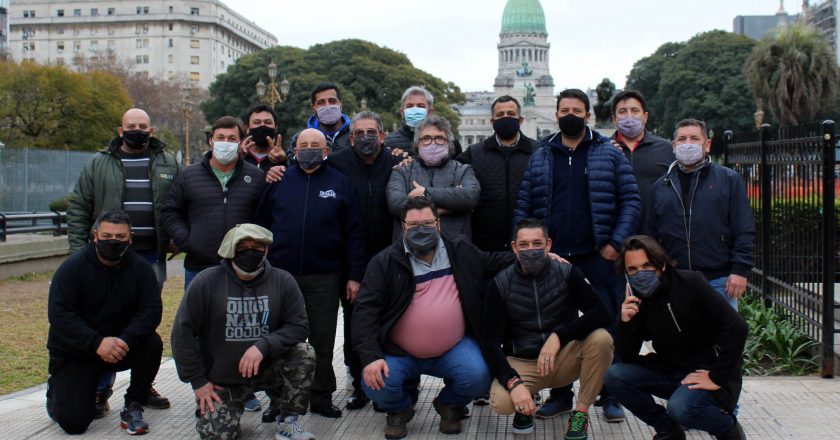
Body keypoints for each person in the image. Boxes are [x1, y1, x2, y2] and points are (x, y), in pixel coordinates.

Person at [514, 88, 641, 421]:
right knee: (558, 324)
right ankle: (560, 395)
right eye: (564, 109)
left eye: (577, 109)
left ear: (587, 115)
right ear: (556, 114)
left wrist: (615, 243)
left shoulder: (609, 153)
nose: (570, 114)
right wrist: (527, 247)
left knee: (607, 323)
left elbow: (631, 201)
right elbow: (524, 204)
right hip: (553, 259)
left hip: (597, 254)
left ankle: (609, 393)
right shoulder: (541, 155)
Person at [352, 196, 516, 439]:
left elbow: (491, 262)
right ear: (403, 225)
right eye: (414, 225)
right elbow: (364, 312)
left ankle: (449, 404)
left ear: (438, 224)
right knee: (374, 383)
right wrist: (371, 357)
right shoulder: (385, 262)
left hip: (454, 347)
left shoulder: (459, 248)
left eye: (427, 224)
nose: (421, 230)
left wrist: (536, 256)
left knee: (480, 375)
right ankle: (399, 409)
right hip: (400, 351)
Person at [65, 107, 174, 417]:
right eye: (131, 126)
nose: (137, 130)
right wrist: (78, 256)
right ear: (120, 130)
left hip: (150, 255)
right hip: (104, 257)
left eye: (142, 126)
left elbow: (178, 203)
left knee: (144, 319)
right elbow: (79, 208)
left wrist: (177, 236)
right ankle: (101, 388)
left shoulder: (168, 162)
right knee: (102, 320)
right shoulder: (99, 163)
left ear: (151, 131)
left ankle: (142, 384)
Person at [255, 128, 366, 419]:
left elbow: (355, 234)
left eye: (314, 145)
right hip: (280, 276)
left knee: (322, 338)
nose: (308, 149)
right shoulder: (278, 181)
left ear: (326, 150)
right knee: (278, 337)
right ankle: (277, 399)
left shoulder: (341, 183)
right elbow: (260, 225)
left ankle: (320, 396)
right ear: (294, 150)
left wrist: (354, 275)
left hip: (325, 275)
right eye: (303, 145)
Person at [171, 223, 317, 440]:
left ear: (266, 250)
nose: (250, 252)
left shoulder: (283, 280)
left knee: (304, 352)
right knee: (218, 436)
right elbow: (182, 333)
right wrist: (198, 382)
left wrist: (262, 346)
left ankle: (287, 421)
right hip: (223, 378)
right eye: (242, 247)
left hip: (267, 367)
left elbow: (299, 326)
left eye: (257, 247)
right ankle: (224, 411)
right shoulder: (206, 282)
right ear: (230, 250)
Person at [481, 218, 613, 440]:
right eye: (524, 245)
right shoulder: (500, 284)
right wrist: (514, 384)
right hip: (523, 361)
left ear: (548, 245)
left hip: (562, 358)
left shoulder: (567, 272)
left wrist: (559, 336)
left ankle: (580, 414)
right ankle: (525, 407)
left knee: (602, 339)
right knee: (501, 401)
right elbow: (489, 341)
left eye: (537, 243)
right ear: (514, 247)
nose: (530, 250)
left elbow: (601, 313)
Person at [605, 235, 747, 440]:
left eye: (647, 265)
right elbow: (627, 356)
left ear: (661, 263)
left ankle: (728, 428)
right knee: (615, 375)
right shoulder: (637, 297)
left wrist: (717, 377)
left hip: (705, 371)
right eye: (633, 269)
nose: (641, 274)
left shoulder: (691, 283)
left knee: (680, 409)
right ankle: (668, 431)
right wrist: (626, 323)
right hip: (670, 370)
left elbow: (737, 328)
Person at [46, 209, 163, 435]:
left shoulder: (141, 269)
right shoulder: (72, 268)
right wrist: (96, 343)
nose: (113, 241)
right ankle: (57, 391)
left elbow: (150, 312)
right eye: (107, 236)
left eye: (120, 237)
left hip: (121, 346)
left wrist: (125, 340)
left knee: (152, 343)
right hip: (81, 350)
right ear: (95, 236)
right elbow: (60, 315)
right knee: (74, 424)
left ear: (130, 238)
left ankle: (134, 404)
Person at [327, 111, 403, 411]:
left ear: (382, 136)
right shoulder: (337, 164)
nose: (365, 138)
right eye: (359, 133)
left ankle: (392, 384)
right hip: (351, 261)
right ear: (351, 138)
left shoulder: (398, 164)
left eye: (371, 132)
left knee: (392, 323)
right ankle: (359, 384)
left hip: (391, 261)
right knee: (356, 325)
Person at [644, 118, 755, 308]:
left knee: (722, 337)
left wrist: (740, 269)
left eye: (694, 138)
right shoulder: (661, 186)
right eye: (682, 139)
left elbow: (744, 228)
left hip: (719, 281)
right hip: (675, 280)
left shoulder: (728, 180)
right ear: (674, 145)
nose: (688, 144)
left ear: (707, 144)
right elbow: (651, 235)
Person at [162, 116, 266, 290]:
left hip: (244, 267)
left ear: (241, 143)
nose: (225, 142)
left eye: (232, 138)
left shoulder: (256, 177)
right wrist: (188, 241)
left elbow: (265, 215)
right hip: (198, 267)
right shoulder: (189, 176)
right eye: (220, 137)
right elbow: (170, 211)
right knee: (197, 316)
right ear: (211, 141)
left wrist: (254, 248)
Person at [456, 95, 539, 252]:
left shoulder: (538, 151)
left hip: (527, 245)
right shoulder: (474, 153)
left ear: (521, 120)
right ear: (492, 121)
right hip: (484, 246)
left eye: (511, 114)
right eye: (500, 115)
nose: (506, 118)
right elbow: (448, 171)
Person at [386, 115, 480, 241]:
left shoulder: (463, 170)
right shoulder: (402, 171)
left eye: (439, 138)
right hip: (409, 248)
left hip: (455, 249)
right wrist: (448, 207)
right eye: (426, 138)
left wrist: (425, 193)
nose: (433, 143)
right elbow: (396, 204)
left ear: (448, 143)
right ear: (417, 144)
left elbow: (470, 197)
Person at [609, 90, 675, 231]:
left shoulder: (666, 149)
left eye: (635, 110)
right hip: (614, 237)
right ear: (614, 119)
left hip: (657, 236)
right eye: (623, 111)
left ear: (645, 116)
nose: (629, 116)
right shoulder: (602, 150)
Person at [384, 85, 462, 157]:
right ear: (402, 112)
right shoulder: (388, 142)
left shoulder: (449, 141)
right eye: (410, 106)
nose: (415, 109)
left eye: (420, 106)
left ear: (430, 112)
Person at [286, 83, 351, 156]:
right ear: (313, 108)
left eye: (332, 101)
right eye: (321, 102)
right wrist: (280, 161)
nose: (328, 106)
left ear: (341, 103)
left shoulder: (356, 133)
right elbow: (292, 164)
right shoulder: (299, 139)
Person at [240, 104, 286, 172]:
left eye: (268, 122)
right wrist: (239, 159)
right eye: (257, 122)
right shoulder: (239, 156)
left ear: (275, 129)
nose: (262, 125)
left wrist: (282, 162)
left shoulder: (283, 158)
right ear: (247, 129)